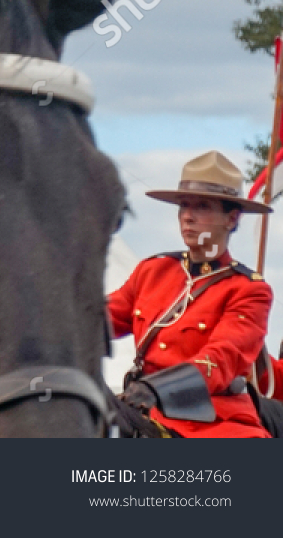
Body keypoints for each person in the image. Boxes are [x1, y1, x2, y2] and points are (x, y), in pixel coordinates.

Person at [107, 151, 274, 438]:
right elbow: (96, 320)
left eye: (202, 206)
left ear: (231, 219)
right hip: (140, 408)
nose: (188, 216)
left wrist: (157, 388)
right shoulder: (153, 270)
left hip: (213, 421)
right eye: (184, 206)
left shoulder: (249, 290)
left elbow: (222, 358)